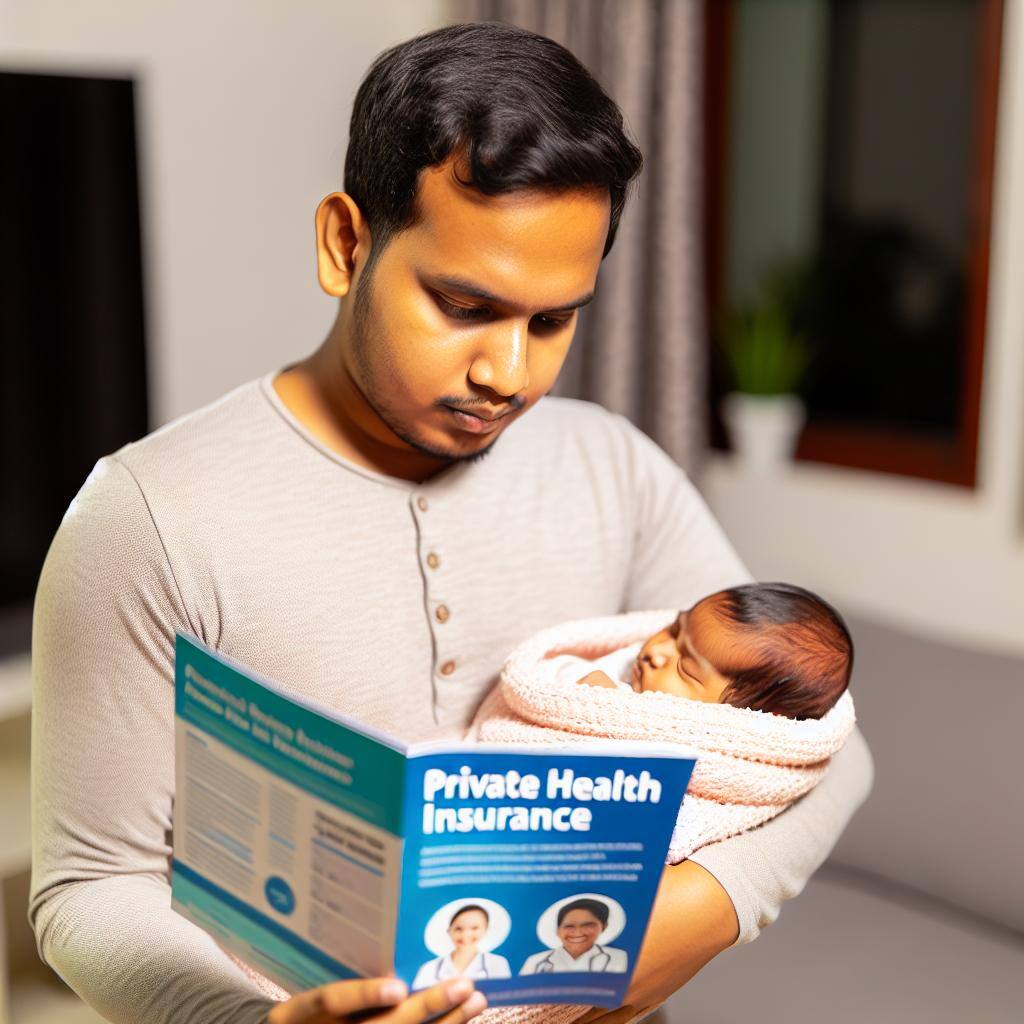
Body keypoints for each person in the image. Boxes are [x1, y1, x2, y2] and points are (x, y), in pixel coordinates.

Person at [29, 21, 872, 1024]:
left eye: (551, 320)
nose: (508, 375)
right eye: (464, 306)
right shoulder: (148, 518)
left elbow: (824, 748)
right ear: (346, 245)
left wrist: (692, 918)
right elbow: (88, 887)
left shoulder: (613, 467)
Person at [555, 582, 854, 720]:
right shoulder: (627, 660)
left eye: (685, 669)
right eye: (674, 629)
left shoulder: (704, 742)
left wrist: (609, 711)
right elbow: (548, 678)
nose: (656, 651)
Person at [412, 905, 512, 989]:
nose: (466, 935)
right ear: (449, 931)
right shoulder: (429, 968)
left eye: (474, 928)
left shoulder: (497, 963)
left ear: (485, 929)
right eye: (458, 929)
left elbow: (505, 997)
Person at [520, 899, 628, 976]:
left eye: (587, 925)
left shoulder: (619, 957)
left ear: (604, 927)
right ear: (558, 930)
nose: (578, 932)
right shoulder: (535, 962)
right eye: (569, 926)